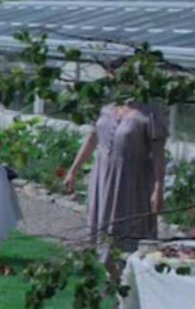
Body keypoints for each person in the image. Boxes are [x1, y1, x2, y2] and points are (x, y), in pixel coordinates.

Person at [64, 96, 167, 264]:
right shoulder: (106, 108)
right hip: (103, 179)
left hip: (131, 183)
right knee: (103, 232)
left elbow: (158, 154)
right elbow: (92, 139)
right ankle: (109, 272)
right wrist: (73, 170)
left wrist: (158, 187)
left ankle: (124, 273)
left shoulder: (149, 113)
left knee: (127, 233)